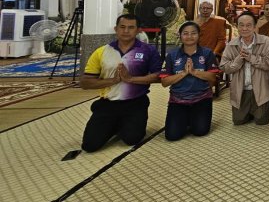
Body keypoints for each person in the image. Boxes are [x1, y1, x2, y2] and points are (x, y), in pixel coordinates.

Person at [80, 14, 162, 152]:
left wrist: (130, 79)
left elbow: (158, 77)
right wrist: (112, 81)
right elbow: (85, 83)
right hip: (108, 103)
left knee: (132, 139)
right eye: (122, 27)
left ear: (138, 30)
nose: (126, 31)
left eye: (131, 27)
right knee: (89, 146)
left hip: (135, 103)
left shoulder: (148, 50)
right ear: (116, 29)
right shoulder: (102, 51)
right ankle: (112, 124)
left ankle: (122, 124)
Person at [160, 21, 218, 141]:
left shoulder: (207, 53)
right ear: (180, 36)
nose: (190, 36)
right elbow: (164, 82)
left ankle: (191, 119)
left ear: (199, 35)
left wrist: (194, 72)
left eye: (193, 33)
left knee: (200, 131)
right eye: (185, 33)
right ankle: (185, 119)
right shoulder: (172, 55)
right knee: (172, 136)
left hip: (202, 98)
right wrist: (184, 73)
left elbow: (213, 78)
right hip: (178, 100)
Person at [220, 12, 269, 126]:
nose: (245, 28)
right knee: (238, 121)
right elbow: (224, 67)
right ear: (237, 27)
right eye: (241, 25)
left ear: (255, 26)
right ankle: (249, 109)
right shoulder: (232, 45)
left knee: (262, 121)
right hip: (241, 91)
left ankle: (265, 105)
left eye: (248, 25)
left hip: (261, 90)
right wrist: (238, 60)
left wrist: (251, 58)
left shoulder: (267, 42)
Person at [196, 1, 228, 96]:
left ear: (212, 10)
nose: (205, 10)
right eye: (203, 8)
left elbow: (222, 40)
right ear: (199, 9)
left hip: (212, 53)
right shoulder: (194, 23)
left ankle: (206, 88)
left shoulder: (218, 23)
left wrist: (214, 52)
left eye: (208, 8)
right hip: (196, 52)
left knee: (208, 64)